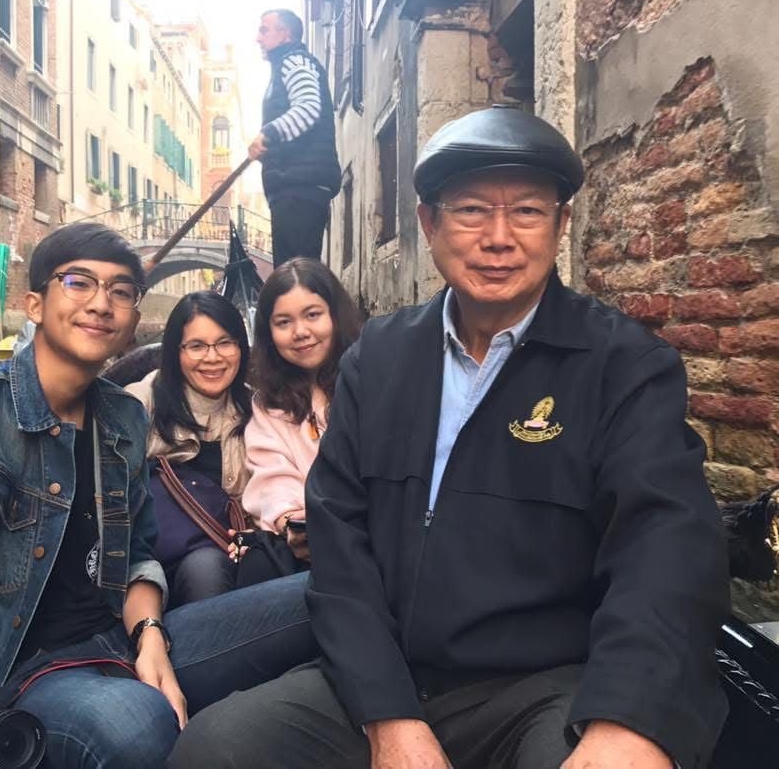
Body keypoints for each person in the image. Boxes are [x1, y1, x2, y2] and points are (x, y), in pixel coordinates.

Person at [168, 107, 730, 769]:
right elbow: (339, 542)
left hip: (546, 684)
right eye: (470, 212)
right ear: (429, 223)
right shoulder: (379, 358)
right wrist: (389, 715)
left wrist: (629, 719)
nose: (498, 238)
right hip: (386, 672)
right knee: (215, 748)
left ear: (560, 226)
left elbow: (666, 547)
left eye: (527, 212)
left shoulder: (622, 364)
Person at [0, 223, 316, 769]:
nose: (101, 303)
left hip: (123, 634)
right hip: (23, 671)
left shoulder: (124, 417)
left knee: (328, 595)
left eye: (120, 291)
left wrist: (150, 637)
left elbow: (136, 555)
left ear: (132, 320)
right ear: (35, 304)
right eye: (78, 283)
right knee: (139, 725)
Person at [236, 258, 361, 582]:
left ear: (335, 315)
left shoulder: (372, 379)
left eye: (312, 315)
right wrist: (290, 520)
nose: (301, 332)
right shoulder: (269, 406)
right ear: (269, 332)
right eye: (284, 322)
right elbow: (273, 477)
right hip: (310, 544)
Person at [125, 291, 252, 608]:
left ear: (240, 347)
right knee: (205, 568)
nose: (213, 357)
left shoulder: (258, 410)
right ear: (175, 352)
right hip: (149, 558)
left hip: (233, 553)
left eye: (225, 343)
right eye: (197, 346)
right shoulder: (140, 404)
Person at [248, 8, 341, 266]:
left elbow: (308, 108)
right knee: (293, 271)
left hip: (300, 187)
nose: (258, 38)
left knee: (297, 273)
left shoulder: (295, 61)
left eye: (264, 30)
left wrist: (266, 136)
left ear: (285, 34)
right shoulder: (285, 66)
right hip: (293, 185)